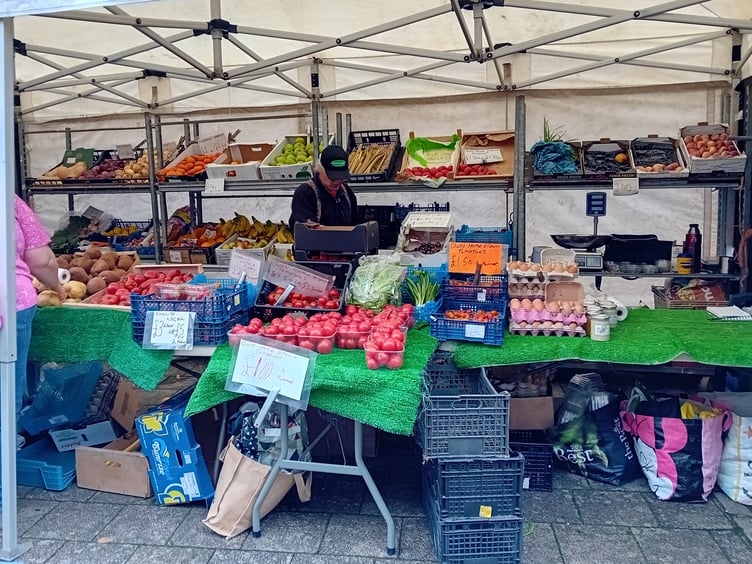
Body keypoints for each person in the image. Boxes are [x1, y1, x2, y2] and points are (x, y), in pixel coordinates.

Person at [14, 194, 65, 445]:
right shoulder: (8, 200)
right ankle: (7, 445)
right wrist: (57, 286)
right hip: (11, 300)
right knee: (9, 376)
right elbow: (42, 261)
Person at [289, 145, 359, 229]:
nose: (337, 181)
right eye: (332, 177)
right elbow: (307, 231)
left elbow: (356, 223)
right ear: (320, 169)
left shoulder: (346, 192)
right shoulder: (305, 193)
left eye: (341, 177)